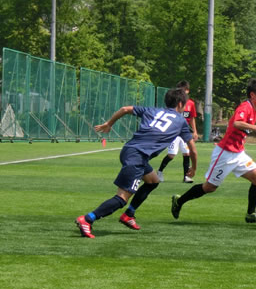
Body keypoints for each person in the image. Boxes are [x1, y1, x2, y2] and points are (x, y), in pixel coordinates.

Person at [75, 88, 197, 238]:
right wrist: (193, 168)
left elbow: (125, 109)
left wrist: (109, 124)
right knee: (121, 198)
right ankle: (87, 219)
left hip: (129, 150)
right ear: (180, 104)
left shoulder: (152, 110)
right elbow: (193, 150)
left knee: (153, 181)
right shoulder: (181, 121)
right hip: (137, 157)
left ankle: (129, 214)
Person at [171, 79, 256, 224]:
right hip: (225, 154)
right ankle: (179, 201)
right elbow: (236, 123)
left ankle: (250, 214)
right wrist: (255, 128)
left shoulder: (254, 109)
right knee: (210, 187)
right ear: (252, 95)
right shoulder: (245, 107)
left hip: (239, 154)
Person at [156, 80, 198, 183]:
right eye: (180, 90)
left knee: (186, 153)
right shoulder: (174, 103)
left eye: (184, 90)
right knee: (171, 155)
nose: (182, 92)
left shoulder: (191, 103)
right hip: (174, 132)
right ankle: (159, 172)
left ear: (187, 91)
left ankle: (186, 177)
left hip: (185, 132)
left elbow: (192, 118)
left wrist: (195, 131)